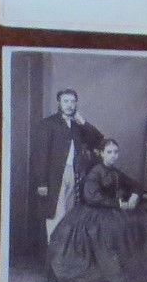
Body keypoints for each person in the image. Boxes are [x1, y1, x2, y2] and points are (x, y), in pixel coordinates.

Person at [46, 137, 147, 282]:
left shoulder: (115, 172)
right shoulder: (96, 172)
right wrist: (117, 204)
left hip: (113, 210)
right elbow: (91, 197)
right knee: (108, 231)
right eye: (109, 152)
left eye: (116, 152)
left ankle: (140, 268)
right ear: (101, 154)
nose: (113, 156)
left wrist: (134, 196)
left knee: (146, 223)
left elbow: (136, 185)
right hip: (94, 212)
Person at [34, 88, 105, 241]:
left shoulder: (77, 125)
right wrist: (42, 182)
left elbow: (99, 140)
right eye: (65, 101)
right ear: (59, 102)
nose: (69, 105)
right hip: (54, 176)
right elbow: (41, 155)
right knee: (55, 214)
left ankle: (65, 250)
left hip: (75, 174)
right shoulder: (48, 123)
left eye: (73, 101)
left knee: (70, 214)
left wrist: (83, 122)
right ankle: (54, 251)